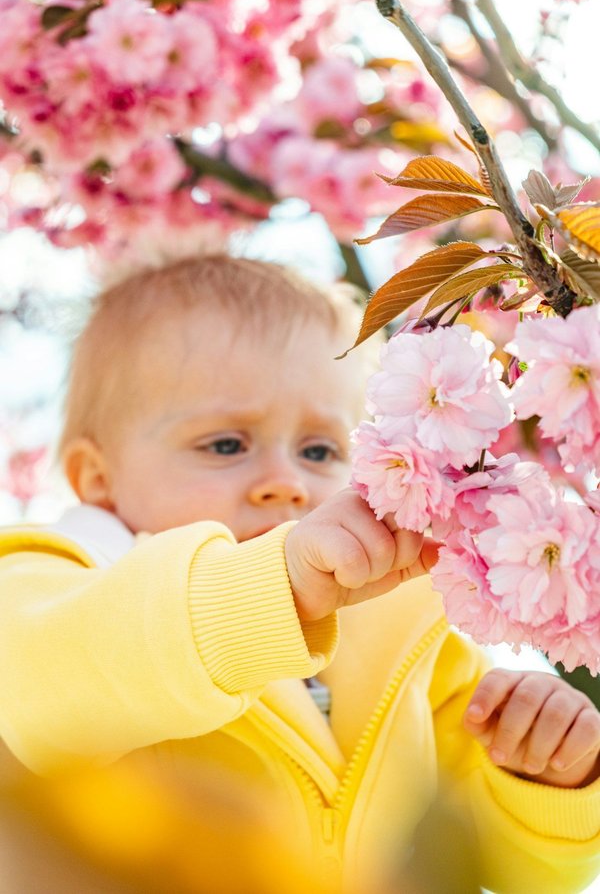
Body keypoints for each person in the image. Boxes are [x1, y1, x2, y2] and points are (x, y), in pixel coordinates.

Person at [0, 255, 598, 894]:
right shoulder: (58, 585)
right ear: (99, 479)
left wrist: (542, 776)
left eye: (318, 451)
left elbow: (510, 873)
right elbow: (35, 702)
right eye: (226, 445)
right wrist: (269, 589)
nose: (285, 483)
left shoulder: (413, 635)